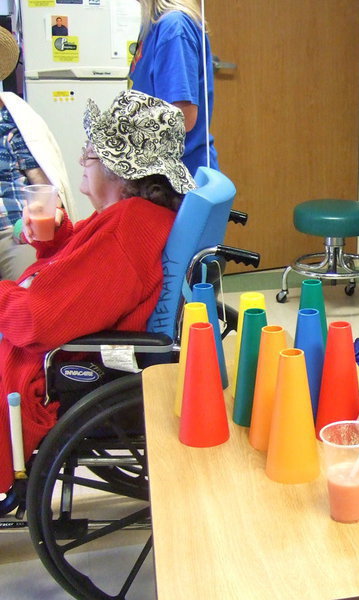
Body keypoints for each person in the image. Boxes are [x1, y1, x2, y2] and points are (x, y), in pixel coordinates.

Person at [0, 89, 195, 494]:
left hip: (59, 364)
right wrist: (56, 239)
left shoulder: (128, 230)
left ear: (120, 169)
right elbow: (89, 276)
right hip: (71, 341)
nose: (80, 160)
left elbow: (40, 320)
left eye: (90, 151)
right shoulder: (128, 217)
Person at [0, 27, 72, 280]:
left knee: (33, 284)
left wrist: (33, 220)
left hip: (12, 230)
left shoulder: (12, 119)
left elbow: (43, 185)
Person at [129, 0, 218, 175]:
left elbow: (182, 118)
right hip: (161, 170)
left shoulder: (174, 27)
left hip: (179, 176)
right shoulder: (153, 25)